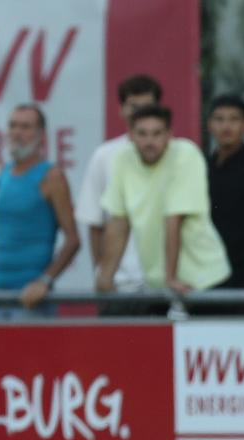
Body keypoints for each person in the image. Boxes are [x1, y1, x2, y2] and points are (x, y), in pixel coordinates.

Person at [0, 104, 80, 318]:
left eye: (26, 127)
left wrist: (44, 282)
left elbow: (73, 240)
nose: (17, 132)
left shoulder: (52, 177)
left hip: (32, 302)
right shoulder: (4, 173)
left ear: (41, 135)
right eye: (13, 126)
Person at [96, 106, 230, 297]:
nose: (149, 141)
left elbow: (174, 218)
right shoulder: (122, 159)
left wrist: (170, 278)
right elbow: (118, 223)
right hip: (160, 285)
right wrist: (105, 277)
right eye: (142, 133)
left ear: (169, 135)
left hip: (205, 280)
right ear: (131, 135)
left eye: (157, 133)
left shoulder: (186, 153)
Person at [75, 75, 162, 294]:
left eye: (147, 107)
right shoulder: (105, 156)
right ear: (121, 110)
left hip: (165, 285)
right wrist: (103, 274)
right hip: (120, 286)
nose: (140, 114)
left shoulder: (178, 156)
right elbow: (95, 222)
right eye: (134, 107)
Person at [206, 94, 244, 289]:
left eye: (234, 119)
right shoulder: (200, 169)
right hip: (207, 275)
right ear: (209, 125)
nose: (226, 126)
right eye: (219, 119)